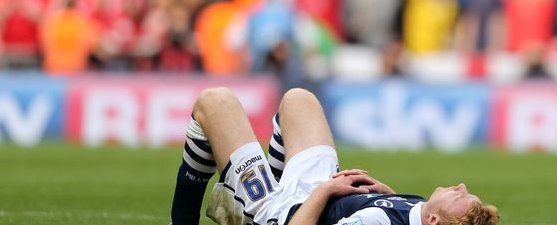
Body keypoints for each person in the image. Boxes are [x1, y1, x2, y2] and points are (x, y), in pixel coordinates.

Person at [169, 87, 499, 225]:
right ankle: (255, 198)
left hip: (292, 213)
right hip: (316, 189)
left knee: (215, 102)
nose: (461, 185)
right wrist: (386, 193)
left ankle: (257, 210)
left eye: (462, 197)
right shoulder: (416, 209)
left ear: (435, 222)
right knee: (299, 99)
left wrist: (325, 191)